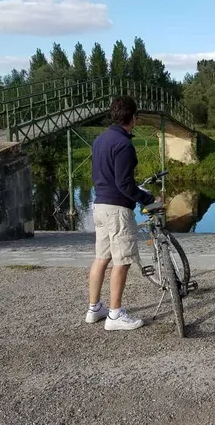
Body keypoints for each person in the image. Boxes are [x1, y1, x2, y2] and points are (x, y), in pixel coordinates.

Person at [85, 96, 157, 331]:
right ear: (133, 118)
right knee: (122, 260)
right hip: (117, 210)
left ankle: (94, 309)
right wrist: (148, 198)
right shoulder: (124, 145)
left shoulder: (100, 140)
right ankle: (115, 315)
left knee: (101, 258)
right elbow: (125, 184)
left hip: (99, 206)